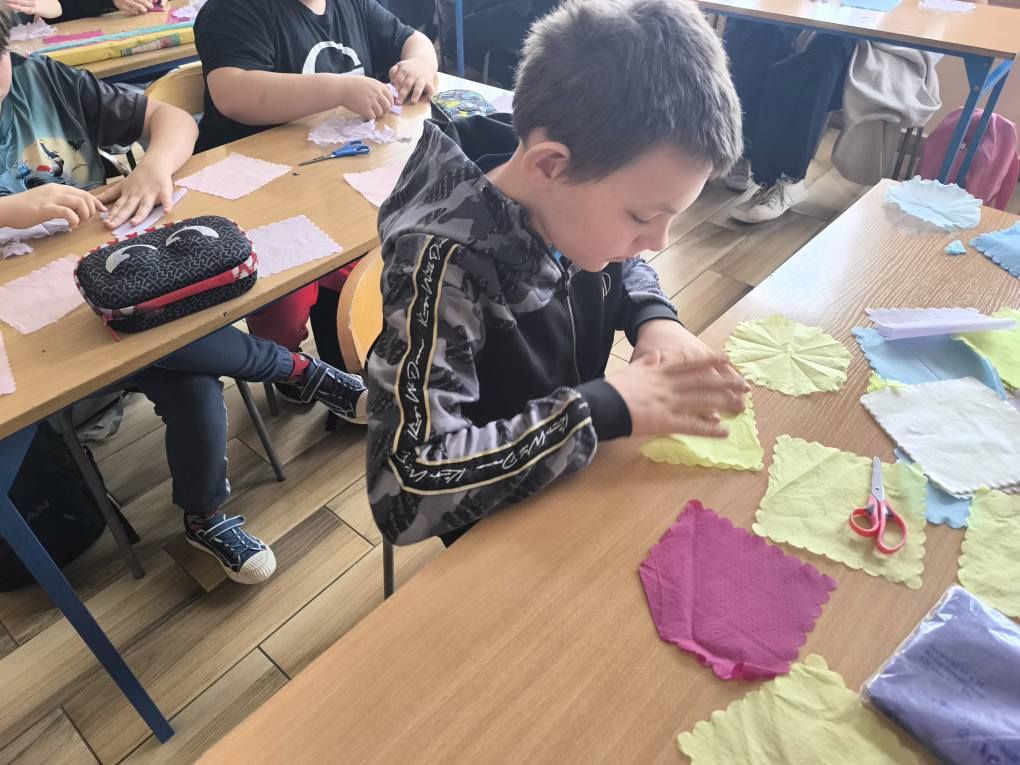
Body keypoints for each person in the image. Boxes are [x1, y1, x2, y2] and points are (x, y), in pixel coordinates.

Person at [0, 3, 368, 584]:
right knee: (180, 349)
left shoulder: (40, 80)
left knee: (188, 376)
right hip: (33, 333)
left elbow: (172, 119)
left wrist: (154, 168)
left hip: (121, 284)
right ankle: (298, 372)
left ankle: (205, 516)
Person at [365, 0, 750, 547]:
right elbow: (404, 490)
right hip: (496, 535)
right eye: (643, 217)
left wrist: (653, 316)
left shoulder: (569, 200)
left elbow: (624, 263)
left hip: (576, 479)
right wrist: (600, 410)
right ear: (549, 165)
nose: (658, 242)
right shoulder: (440, 265)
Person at [194, 0, 440, 386]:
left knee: (378, 268)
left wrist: (420, 64)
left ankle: (345, 364)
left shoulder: (352, 5)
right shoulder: (234, 9)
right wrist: (338, 88)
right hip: (258, 196)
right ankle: (291, 367)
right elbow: (233, 93)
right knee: (286, 309)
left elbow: (412, 39)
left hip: (338, 183)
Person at [723, 20, 855, 224]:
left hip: (869, 34)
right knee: (761, 29)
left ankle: (791, 179)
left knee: (825, 50)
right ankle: (746, 149)